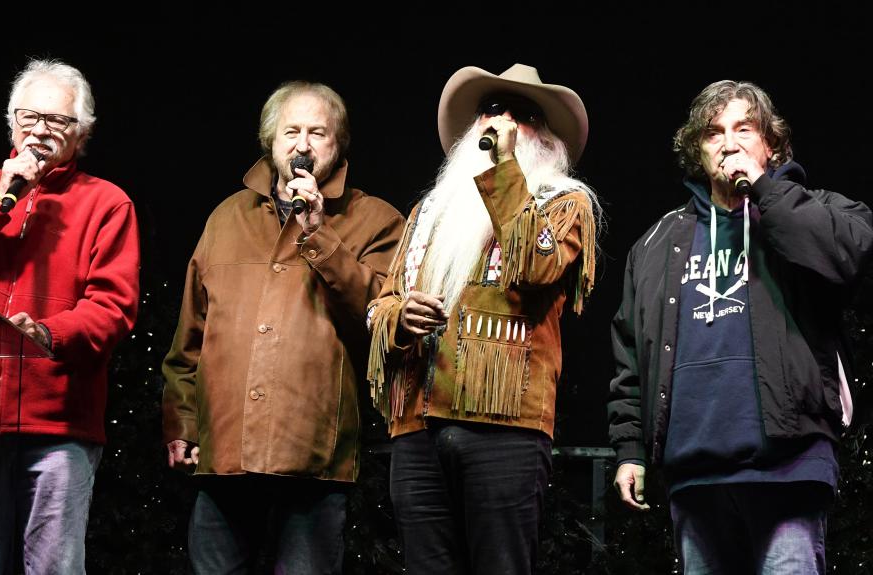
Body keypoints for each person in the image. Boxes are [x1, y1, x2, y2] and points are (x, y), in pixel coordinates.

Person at [608, 80, 873, 573]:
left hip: (788, 467)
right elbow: (629, 354)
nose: (728, 143)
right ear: (698, 151)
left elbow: (848, 258)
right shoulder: (656, 244)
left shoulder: (819, 210)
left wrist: (768, 191)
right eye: (713, 133)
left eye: (744, 129)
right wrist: (630, 451)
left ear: (770, 145)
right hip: (695, 475)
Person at [161, 80, 404, 574]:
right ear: (270, 141)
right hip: (223, 449)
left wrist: (319, 233)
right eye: (291, 131)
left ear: (339, 147)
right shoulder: (227, 217)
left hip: (314, 454)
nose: (303, 144)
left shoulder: (375, 220)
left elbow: (383, 317)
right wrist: (182, 422)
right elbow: (190, 336)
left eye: (319, 133)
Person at [366, 63, 600, 574]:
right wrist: (400, 316)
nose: (506, 123)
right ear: (474, 124)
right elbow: (382, 300)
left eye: (526, 115)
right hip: (418, 427)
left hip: (505, 427)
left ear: (546, 136)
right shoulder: (431, 210)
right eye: (493, 109)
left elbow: (537, 267)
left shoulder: (565, 203)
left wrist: (505, 168)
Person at [0, 59, 140, 573]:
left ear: (80, 133)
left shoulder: (107, 204)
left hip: (58, 428)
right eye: (27, 116)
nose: (38, 129)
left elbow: (114, 308)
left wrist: (47, 332)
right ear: (11, 122)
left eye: (56, 121)